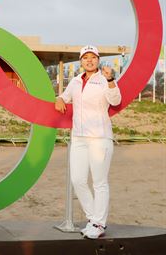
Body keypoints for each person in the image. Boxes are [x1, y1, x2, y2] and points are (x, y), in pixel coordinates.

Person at [55, 45, 121, 239]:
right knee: (78, 180)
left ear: (98, 60)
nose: (89, 60)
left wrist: (110, 80)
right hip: (79, 138)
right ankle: (94, 219)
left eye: (93, 57)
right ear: (81, 61)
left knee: (99, 182)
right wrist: (58, 98)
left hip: (99, 138)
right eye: (85, 58)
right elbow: (65, 97)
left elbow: (115, 100)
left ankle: (98, 223)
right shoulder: (75, 81)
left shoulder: (104, 80)